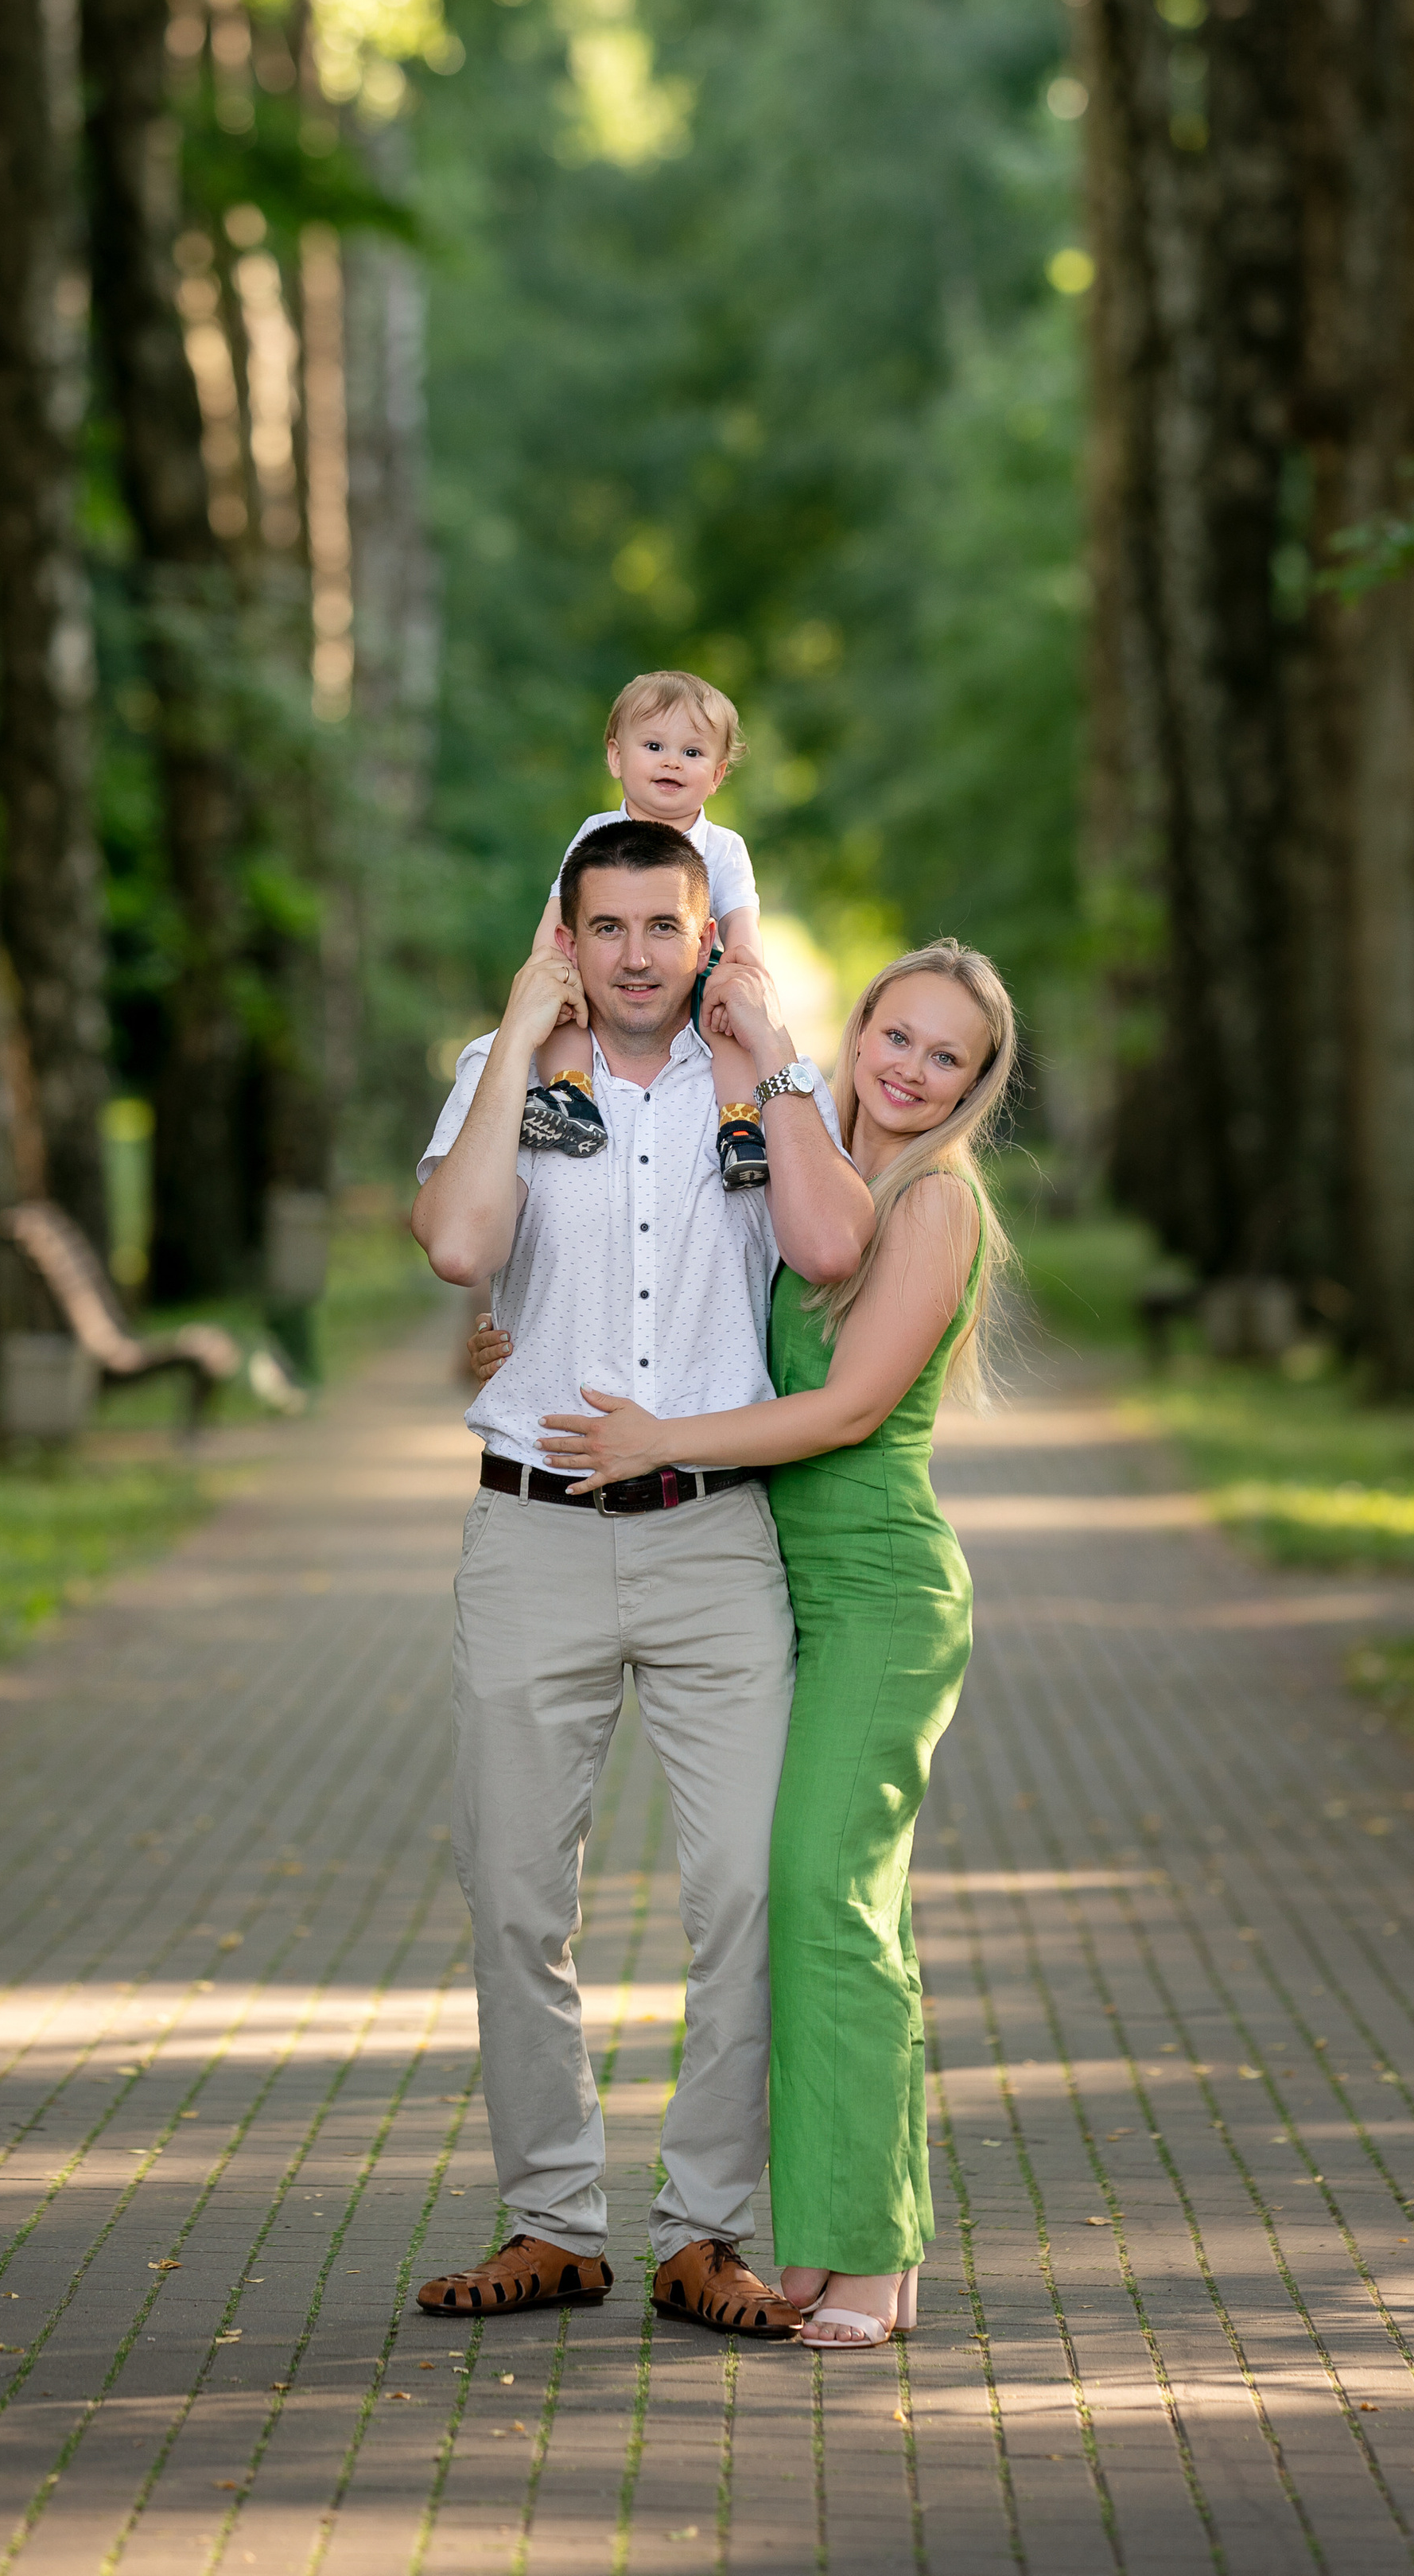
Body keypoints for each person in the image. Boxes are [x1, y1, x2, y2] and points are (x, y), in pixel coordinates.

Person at [472, 940, 1016, 2351]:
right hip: (787, 1582)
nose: (907, 1067)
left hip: (883, 1595)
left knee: (830, 1900)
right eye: (895, 1034)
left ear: (976, 1084)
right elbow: (672, 1293)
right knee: (811, 1906)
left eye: (944, 1056)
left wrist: (663, 1443)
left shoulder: (940, 1202)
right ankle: (823, 2246)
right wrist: (525, 1341)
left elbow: (838, 1415)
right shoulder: (817, 1164)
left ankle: (877, 2257)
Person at [410, 816, 874, 2337]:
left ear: (705, 933)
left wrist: (782, 1055)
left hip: (712, 1541)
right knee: (514, 1899)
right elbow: (458, 1243)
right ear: (566, 929)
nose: (631, 956)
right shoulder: (507, 1072)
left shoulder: (754, 1081)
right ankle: (553, 2222)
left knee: (745, 1890)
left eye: (659, 929)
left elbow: (824, 1252)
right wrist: (515, 1033)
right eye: (602, 928)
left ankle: (706, 2233)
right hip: (532, 1536)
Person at [521, 669, 775, 1189]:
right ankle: (572, 1095)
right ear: (617, 757)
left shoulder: (723, 847)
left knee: (727, 1023)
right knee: (565, 1012)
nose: (671, 761)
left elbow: (742, 927)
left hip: (696, 973)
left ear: (718, 773)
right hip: (605, 971)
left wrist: (742, 975)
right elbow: (558, 912)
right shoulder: (597, 833)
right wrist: (547, 968)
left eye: (692, 753)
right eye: (654, 745)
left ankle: (739, 1124)